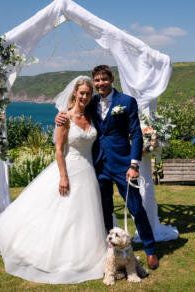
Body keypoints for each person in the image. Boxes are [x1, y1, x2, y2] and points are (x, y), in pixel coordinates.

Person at [0, 76, 108, 284]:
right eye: (82, 93)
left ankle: (85, 252)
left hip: (88, 172)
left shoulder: (91, 116)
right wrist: (63, 177)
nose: (85, 96)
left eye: (88, 93)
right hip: (69, 169)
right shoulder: (64, 118)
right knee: (62, 213)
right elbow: (59, 151)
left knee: (84, 216)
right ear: (75, 93)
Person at [55, 65, 159, 269]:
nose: (100, 83)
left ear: (111, 79)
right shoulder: (91, 103)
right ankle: (111, 249)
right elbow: (75, 111)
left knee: (135, 207)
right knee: (104, 209)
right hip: (98, 165)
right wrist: (61, 116)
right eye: (97, 80)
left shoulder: (126, 102)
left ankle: (150, 249)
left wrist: (134, 164)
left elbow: (136, 134)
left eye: (104, 79)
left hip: (122, 165)